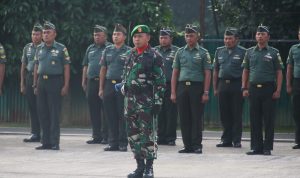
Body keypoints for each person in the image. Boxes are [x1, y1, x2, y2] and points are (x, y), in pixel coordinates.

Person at [118, 24, 166, 178]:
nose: (137, 39)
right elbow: (126, 75)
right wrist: (123, 87)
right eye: (135, 36)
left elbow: (160, 81)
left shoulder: (154, 56)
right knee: (133, 135)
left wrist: (158, 101)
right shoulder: (130, 54)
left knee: (148, 135)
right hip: (130, 102)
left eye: (140, 36)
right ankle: (139, 167)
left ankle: (149, 168)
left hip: (146, 102)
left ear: (148, 38)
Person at [242, 25, 283, 155]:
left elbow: (279, 72)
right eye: (258, 34)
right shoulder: (249, 52)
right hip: (253, 88)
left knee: (269, 119)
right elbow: (246, 71)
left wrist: (278, 90)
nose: (260, 36)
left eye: (263, 34)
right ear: (255, 36)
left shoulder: (273, 52)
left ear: (268, 37)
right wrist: (244, 87)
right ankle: (256, 147)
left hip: (268, 89)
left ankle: (267, 147)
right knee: (254, 119)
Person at [171, 24, 212, 154]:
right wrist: (173, 92)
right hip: (182, 87)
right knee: (184, 118)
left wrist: (206, 92)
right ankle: (187, 145)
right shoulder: (180, 52)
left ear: (197, 36)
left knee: (196, 118)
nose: (188, 38)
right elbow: (175, 73)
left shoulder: (203, 53)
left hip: (197, 87)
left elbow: (207, 73)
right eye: (186, 36)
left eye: (191, 35)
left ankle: (197, 145)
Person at [33, 21, 71, 150]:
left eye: (48, 32)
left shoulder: (61, 48)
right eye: (44, 32)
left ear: (55, 34)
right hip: (41, 82)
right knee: (42, 112)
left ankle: (54, 142)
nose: (45, 34)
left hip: (55, 82)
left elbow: (66, 67)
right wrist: (35, 84)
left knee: (54, 113)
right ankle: (45, 142)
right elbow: (36, 66)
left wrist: (65, 85)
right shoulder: (39, 48)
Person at [99, 24, 131, 152]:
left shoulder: (129, 51)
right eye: (114, 34)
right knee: (110, 115)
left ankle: (123, 143)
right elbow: (103, 69)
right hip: (108, 84)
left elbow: (132, 70)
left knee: (122, 115)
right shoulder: (107, 50)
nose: (115, 36)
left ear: (124, 36)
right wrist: (101, 88)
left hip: (122, 84)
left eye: (118, 34)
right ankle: (112, 142)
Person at [213, 27, 246, 148]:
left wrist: (244, 87)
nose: (227, 41)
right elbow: (215, 70)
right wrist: (215, 88)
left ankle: (236, 140)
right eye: (225, 38)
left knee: (236, 113)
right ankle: (226, 139)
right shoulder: (219, 51)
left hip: (237, 84)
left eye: (230, 38)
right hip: (223, 84)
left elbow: (246, 71)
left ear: (236, 39)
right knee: (224, 113)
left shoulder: (243, 52)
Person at [82, 25, 111, 144]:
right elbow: (85, 65)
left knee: (106, 110)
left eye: (99, 35)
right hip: (91, 81)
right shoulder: (90, 48)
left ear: (105, 36)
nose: (96, 37)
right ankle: (96, 136)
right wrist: (84, 81)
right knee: (93, 110)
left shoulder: (110, 47)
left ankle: (106, 136)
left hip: (105, 82)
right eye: (95, 35)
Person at [154, 27, 179, 146]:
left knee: (171, 112)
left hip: (170, 85)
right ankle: (160, 136)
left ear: (171, 39)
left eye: (165, 38)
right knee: (159, 111)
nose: (163, 40)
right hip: (157, 85)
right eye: (161, 37)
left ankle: (170, 137)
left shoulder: (177, 51)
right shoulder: (154, 51)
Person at [21, 23, 43, 143]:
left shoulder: (44, 47)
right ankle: (34, 133)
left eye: (37, 34)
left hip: (41, 78)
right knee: (32, 106)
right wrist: (22, 83)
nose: (35, 36)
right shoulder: (27, 47)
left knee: (42, 107)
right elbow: (23, 66)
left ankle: (44, 133)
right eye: (33, 34)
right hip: (29, 77)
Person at [286, 27, 300, 149]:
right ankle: (298, 140)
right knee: (297, 111)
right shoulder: (294, 49)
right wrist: (288, 85)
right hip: (297, 82)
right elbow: (289, 67)